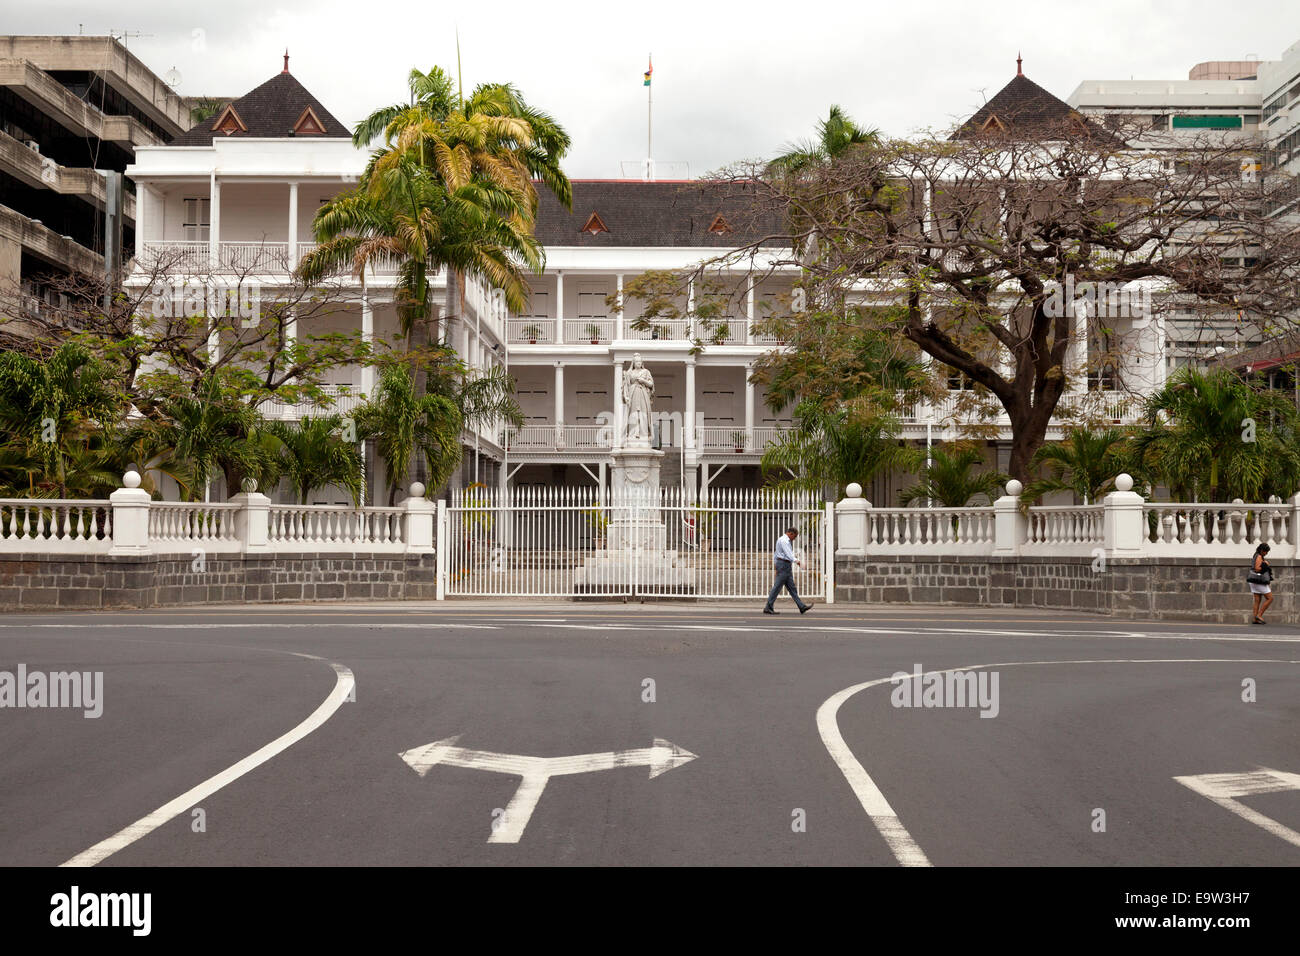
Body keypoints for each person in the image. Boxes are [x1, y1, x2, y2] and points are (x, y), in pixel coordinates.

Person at [764, 526, 812, 615]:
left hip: (784, 565)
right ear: (791, 533)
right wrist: (797, 561)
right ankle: (768, 607)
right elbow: (788, 554)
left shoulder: (782, 540)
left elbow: (776, 554)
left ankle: (801, 606)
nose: (794, 539)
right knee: (777, 587)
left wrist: (776, 566)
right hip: (783, 565)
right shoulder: (784, 541)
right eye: (794, 537)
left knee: (792, 588)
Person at [1249, 542, 1273, 625]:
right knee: (1270, 598)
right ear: (1262, 550)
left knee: (1257, 600)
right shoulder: (1259, 556)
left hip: (1254, 580)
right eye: (1266, 551)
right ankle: (1259, 615)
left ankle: (1255, 618)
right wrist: (1265, 564)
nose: (1266, 553)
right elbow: (1257, 568)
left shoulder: (1256, 555)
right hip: (1259, 581)